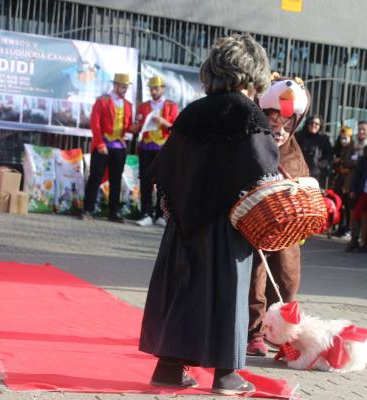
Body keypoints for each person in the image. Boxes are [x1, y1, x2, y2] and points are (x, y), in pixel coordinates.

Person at [139, 34, 278, 395]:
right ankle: (227, 375)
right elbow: (262, 169)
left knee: (182, 290)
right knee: (227, 293)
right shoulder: (248, 112)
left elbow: (165, 168)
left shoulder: (193, 111)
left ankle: (168, 368)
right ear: (252, 72)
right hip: (227, 225)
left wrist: (178, 207)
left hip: (184, 222)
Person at [247, 77, 310, 357]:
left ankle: (282, 333)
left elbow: (305, 185)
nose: (280, 132)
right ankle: (254, 332)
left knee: (286, 279)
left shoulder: (294, 154)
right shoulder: (253, 146)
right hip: (256, 230)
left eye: (286, 126)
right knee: (255, 280)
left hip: (287, 230)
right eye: (274, 126)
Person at [82, 73, 137, 222]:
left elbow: (126, 127)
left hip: (119, 145)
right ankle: (87, 210)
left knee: (116, 179)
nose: (124, 89)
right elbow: (95, 123)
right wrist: (99, 143)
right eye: (122, 86)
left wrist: (134, 128)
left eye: (126, 87)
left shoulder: (128, 105)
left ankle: (114, 213)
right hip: (103, 144)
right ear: (115, 85)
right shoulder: (102, 101)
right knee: (95, 177)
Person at [135, 76, 179, 227]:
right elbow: (137, 126)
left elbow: (175, 128)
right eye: (151, 89)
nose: (153, 91)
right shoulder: (143, 106)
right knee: (145, 180)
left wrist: (163, 122)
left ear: (162, 89)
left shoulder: (171, 106)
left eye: (156, 88)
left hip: (162, 148)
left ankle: (160, 214)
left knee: (162, 182)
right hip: (146, 146)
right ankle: (145, 213)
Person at [295, 114, 333, 187]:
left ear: (320, 126)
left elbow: (329, 155)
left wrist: (319, 165)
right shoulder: (298, 136)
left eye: (317, 124)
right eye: (311, 123)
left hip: (316, 174)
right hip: (299, 172)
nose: (313, 125)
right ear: (307, 124)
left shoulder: (324, 138)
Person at [332, 126, 356, 236]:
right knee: (338, 203)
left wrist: (348, 183)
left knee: (347, 206)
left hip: (348, 181)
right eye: (341, 138)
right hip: (338, 179)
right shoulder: (337, 149)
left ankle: (347, 227)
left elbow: (353, 167)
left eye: (345, 138)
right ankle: (339, 226)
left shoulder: (353, 151)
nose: (343, 141)